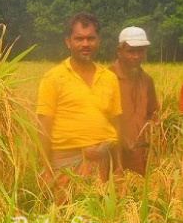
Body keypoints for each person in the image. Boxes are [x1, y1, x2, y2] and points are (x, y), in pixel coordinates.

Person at [36, 12, 121, 186]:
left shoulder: (109, 78)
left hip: (102, 163)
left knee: (99, 211)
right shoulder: (53, 78)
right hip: (64, 166)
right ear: (68, 41)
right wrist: (45, 168)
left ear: (98, 41)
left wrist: (119, 166)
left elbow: (116, 123)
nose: (85, 44)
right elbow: (44, 127)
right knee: (65, 212)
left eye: (91, 38)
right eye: (79, 39)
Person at [110, 26, 159, 175]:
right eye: (131, 51)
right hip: (114, 157)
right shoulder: (106, 78)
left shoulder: (147, 80)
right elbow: (98, 119)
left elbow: (152, 114)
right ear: (120, 51)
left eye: (141, 51)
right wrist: (120, 138)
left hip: (142, 157)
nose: (136, 56)